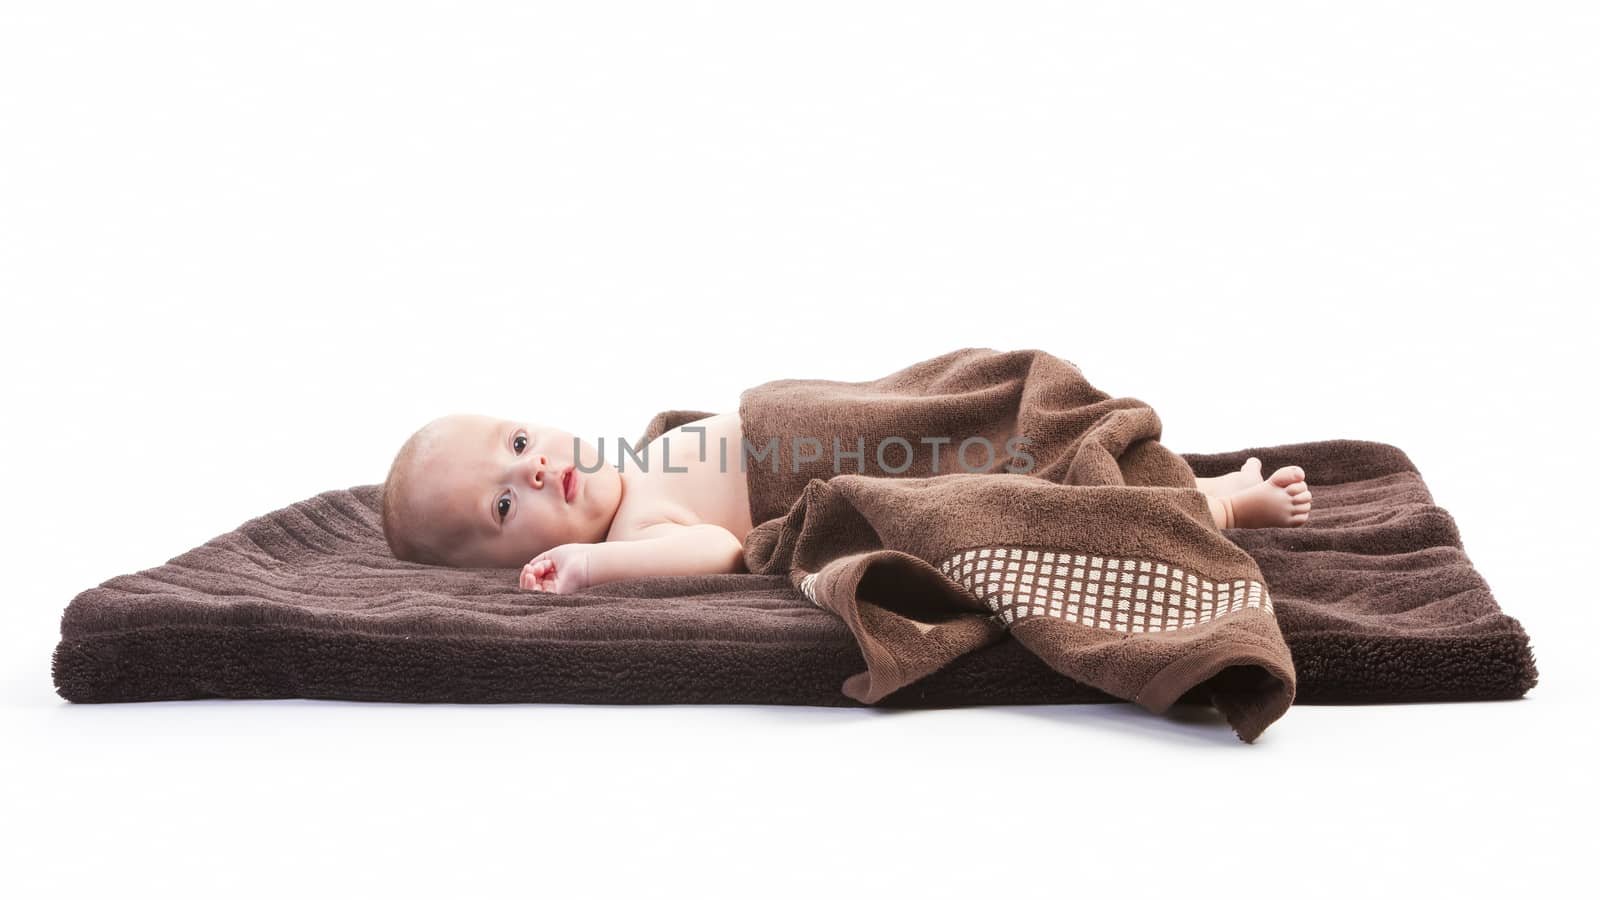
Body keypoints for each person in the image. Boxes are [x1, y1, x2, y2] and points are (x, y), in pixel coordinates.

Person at [380, 410, 1312, 594]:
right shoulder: (635, 525)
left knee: (1010, 429)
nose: (534, 471)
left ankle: (1164, 473)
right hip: (877, 476)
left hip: (870, 419)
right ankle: (1215, 506)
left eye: (515, 444)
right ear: (508, 566)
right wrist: (595, 564)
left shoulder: (637, 455)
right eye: (504, 507)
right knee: (1012, 502)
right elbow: (711, 548)